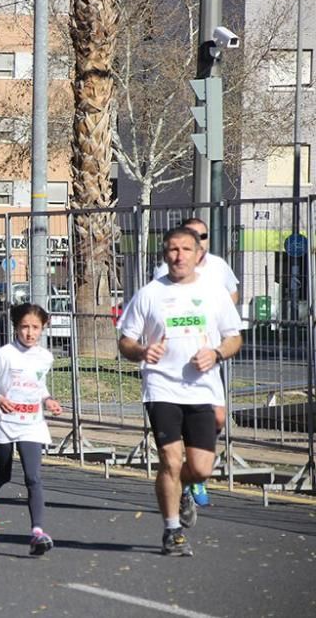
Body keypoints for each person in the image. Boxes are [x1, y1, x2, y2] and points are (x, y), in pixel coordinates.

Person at [118, 226, 242, 557]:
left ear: (198, 255)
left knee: (201, 468)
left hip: (202, 389)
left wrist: (216, 353)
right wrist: (142, 352)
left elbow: (234, 337)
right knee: (170, 460)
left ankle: (185, 488)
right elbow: (126, 340)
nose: (179, 256)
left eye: (186, 249)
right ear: (164, 255)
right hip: (161, 387)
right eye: (173, 250)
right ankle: (172, 531)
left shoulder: (214, 292)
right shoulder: (149, 293)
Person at [153, 217, 239, 507]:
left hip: (208, 364)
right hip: (167, 377)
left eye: (201, 237)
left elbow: (232, 300)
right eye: (191, 238)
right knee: (171, 459)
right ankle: (175, 507)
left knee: (218, 419)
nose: (197, 242)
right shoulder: (162, 275)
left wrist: (217, 344)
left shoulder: (217, 268)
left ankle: (191, 476)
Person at [0, 303, 63, 556]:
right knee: (4, 474)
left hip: (32, 424)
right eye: (25, 327)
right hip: (4, 422)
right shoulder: (5, 354)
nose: (30, 333)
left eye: (35, 328)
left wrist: (48, 400)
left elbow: (39, 384)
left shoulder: (45, 357)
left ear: (43, 328)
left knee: (33, 477)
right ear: (16, 327)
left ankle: (37, 532)